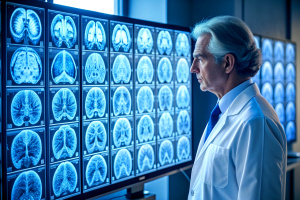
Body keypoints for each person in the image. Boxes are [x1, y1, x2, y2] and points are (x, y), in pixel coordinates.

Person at [188, 16, 287, 200]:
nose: (193, 68)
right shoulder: (222, 113)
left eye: (200, 59)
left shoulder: (256, 122)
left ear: (227, 63)